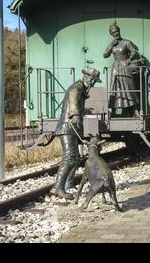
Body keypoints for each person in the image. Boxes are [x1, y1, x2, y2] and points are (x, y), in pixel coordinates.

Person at [49, 68, 101, 200]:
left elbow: (75, 104)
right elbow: (73, 99)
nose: (93, 84)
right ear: (87, 78)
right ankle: (57, 187)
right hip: (67, 127)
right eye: (93, 81)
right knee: (70, 156)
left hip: (71, 127)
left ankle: (66, 185)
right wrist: (76, 114)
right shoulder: (77, 87)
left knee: (75, 157)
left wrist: (83, 111)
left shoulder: (82, 89)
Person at [104, 23, 143, 117]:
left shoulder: (126, 42)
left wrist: (129, 60)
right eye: (113, 33)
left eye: (116, 31)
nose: (115, 33)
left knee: (129, 88)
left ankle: (135, 110)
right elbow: (105, 55)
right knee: (114, 89)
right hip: (116, 67)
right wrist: (110, 45)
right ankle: (113, 111)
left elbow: (134, 51)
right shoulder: (112, 44)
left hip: (125, 66)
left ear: (119, 31)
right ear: (111, 34)